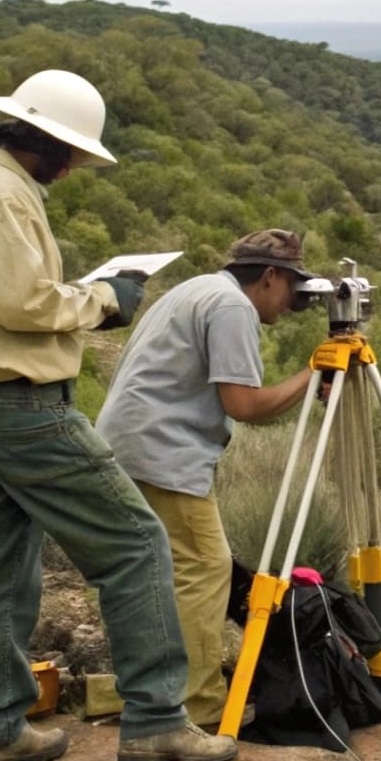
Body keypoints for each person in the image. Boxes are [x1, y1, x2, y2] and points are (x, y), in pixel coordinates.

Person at [0, 68, 237, 761]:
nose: (68, 169)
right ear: (42, 144)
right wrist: (105, 298)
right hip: (21, 407)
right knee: (136, 545)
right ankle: (157, 723)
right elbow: (25, 304)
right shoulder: (0, 197)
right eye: (67, 155)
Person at [95, 229, 316, 731]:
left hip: (127, 444)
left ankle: (140, 692)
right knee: (206, 568)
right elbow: (244, 405)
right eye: (290, 290)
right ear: (269, 276)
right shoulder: (232, 308)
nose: (289, 307)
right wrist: (314, 375)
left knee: (161, 573)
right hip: (162, 453)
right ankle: (197, 703)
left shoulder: (196, 288)